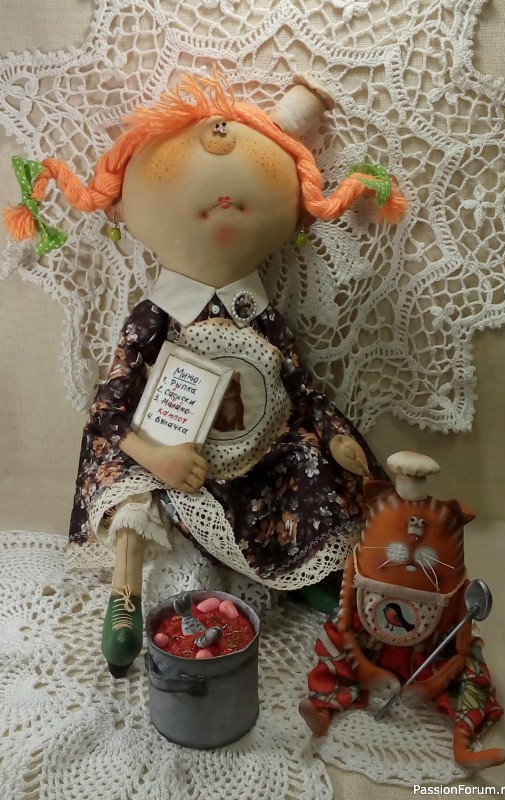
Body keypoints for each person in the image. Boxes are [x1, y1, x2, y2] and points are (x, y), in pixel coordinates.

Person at [4, 72, 407, 676]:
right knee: (126, 479)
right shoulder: (154, 319)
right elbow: (109, 407)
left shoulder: (261, 317)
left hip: (257, 454)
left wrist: (332, 434)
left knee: (308, 459)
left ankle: (304, 574)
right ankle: (125, 592)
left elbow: (299, 386)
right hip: (169, 455)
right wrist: (154, 455)